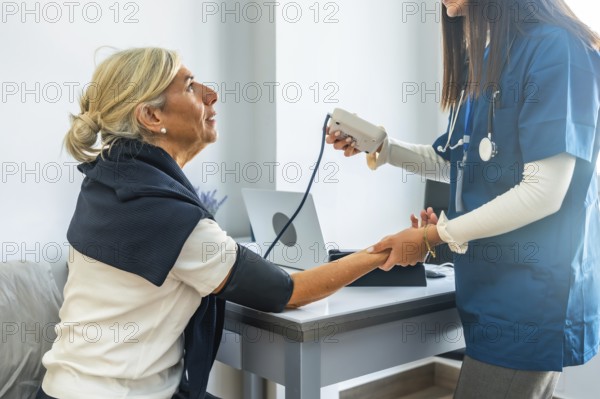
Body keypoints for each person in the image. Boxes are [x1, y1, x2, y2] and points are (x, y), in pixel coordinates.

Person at [37, 47, 393, 399]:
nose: (212, 94)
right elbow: (288, 292)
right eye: (191, 86)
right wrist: (381, 253)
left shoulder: (105, 181)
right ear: (151, 116)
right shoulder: (171, 216)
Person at [328, 0, 600, 398]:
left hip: (528, 302)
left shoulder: (558, 50)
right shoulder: (494, 53)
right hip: (489, 295)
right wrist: (384, 148)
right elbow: (461, 160)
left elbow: (543, 191)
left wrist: (434, 237)